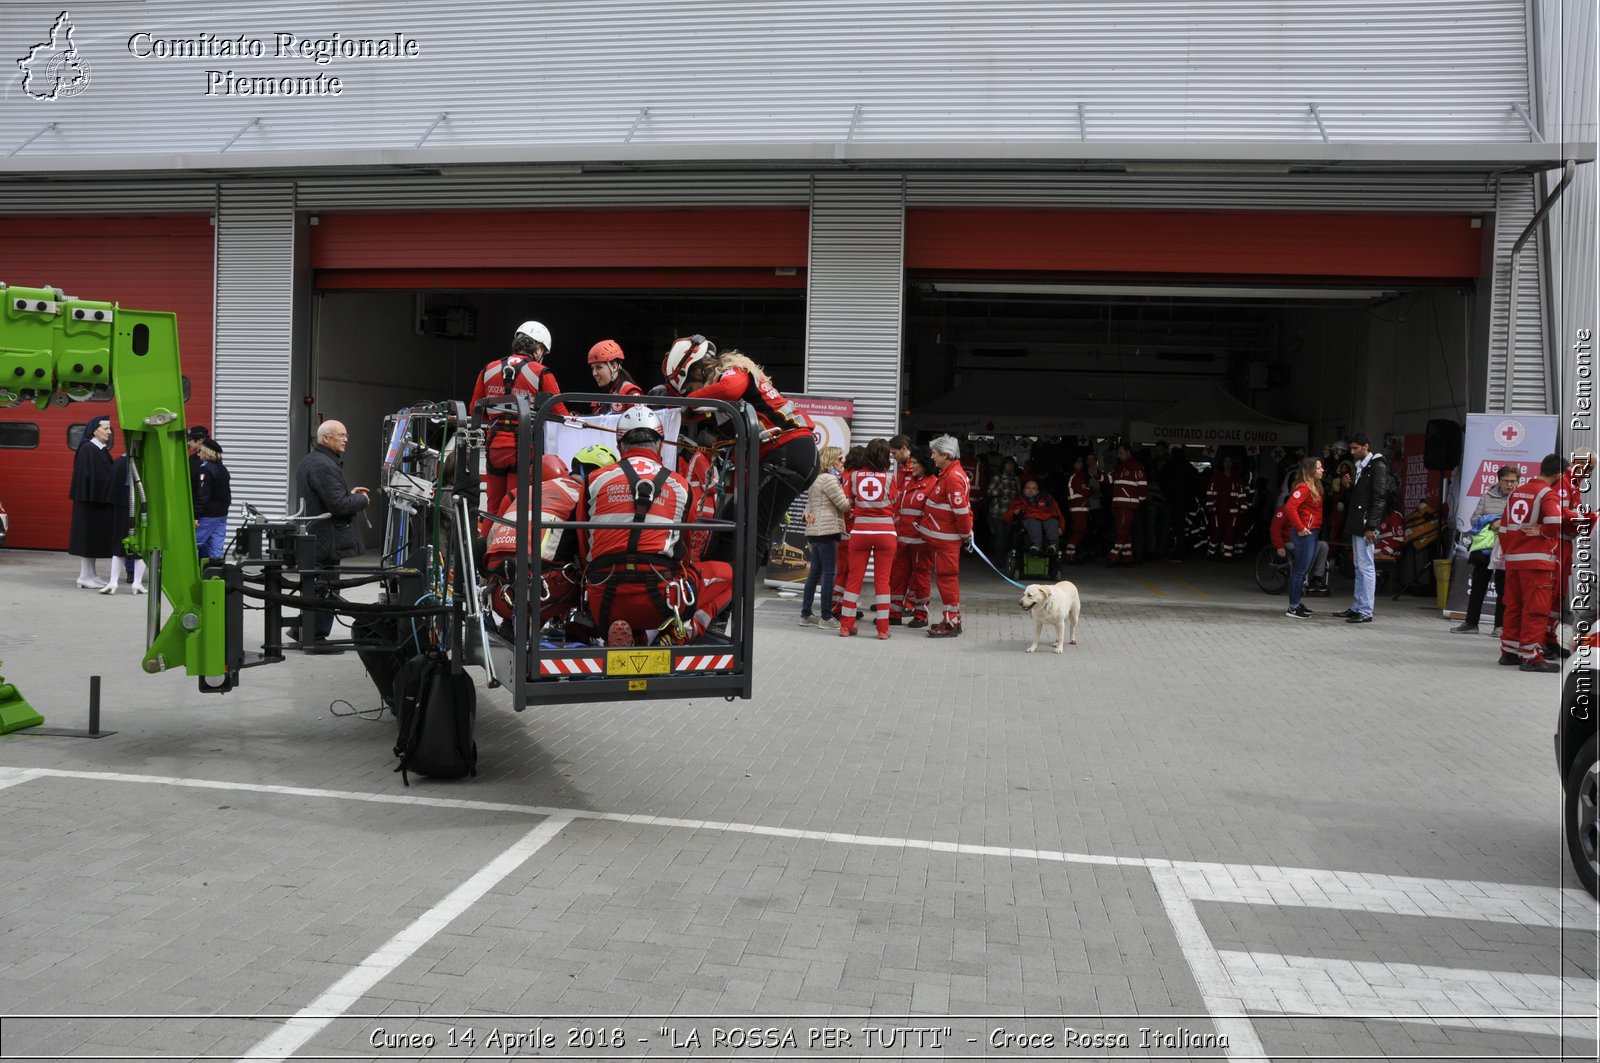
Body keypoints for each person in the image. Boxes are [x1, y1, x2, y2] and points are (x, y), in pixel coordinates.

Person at [580, 406, 732, 647]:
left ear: (619, 445)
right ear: (661, 445)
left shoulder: (595, 479)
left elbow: (583, 543)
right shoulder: (679, 484)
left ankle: (633, 635)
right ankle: (677, 635)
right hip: (661, 601)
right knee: (730, 575)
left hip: (604, 601)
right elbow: (687, 549)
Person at [670, 344, 819, 566]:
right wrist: (669, 406)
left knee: (752, 534)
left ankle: (735, 598)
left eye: (690, 387)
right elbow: (693, 417)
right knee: (729, 525)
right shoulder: (723, 399)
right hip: (787, 457)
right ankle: (714, 585)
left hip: (787, 453)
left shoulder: (732, 371)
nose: (692, 394)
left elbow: (728, 390)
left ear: (697, 370)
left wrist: (686, 403)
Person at [471, 321, 570, 516]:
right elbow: (561, 414)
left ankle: (484, 545)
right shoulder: (542, 372)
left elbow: (475, 409)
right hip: (524, 447)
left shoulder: (488, 369)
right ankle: (510, 546)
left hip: (494, 446)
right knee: (514, 507)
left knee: (492, 509)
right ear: (539, 347)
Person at [293, 420, 372, 648]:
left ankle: (302, 629)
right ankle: (315, 636)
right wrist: (361, 500)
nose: (346, 439)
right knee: (325, 587)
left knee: (317, 586)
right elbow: (339, 505)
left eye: (346, 435)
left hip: (318, 537)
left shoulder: (316, 461)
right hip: (325, 540)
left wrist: (350, 494)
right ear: (326, 438)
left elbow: (328, 497)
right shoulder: (323, 466)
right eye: (341, 435)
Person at [1497, 453, 1579, 672]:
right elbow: (1555, 520)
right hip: (1537, 563)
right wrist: (1543, 530)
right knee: (1536, 609)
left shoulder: (1516, 493)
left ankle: (1509, 652)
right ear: (1559, 474)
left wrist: (1512, 552)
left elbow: (1503, 528)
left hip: (1513, 561)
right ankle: (1531, 656)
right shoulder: (1546, 493)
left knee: (1513, 606)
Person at [837, 438, 898, 639]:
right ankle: (882, 629)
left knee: (854, 579)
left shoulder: (854, 476)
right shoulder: (890, 478)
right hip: (886, 534)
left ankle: (846, 626)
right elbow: (895, 503)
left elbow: (848, 502)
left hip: (860, 532)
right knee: (882, 581)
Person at [917, 434, 973, 638]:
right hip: (943, 540)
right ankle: (952, 619)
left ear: (946, 455)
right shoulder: (948, 474)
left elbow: (961, 512)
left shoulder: (953, 478)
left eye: (934, 453)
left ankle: (950, 622)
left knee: (947, 580)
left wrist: (967, 535)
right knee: (944, 580)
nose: (932, 457)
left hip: (947, 541)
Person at [1452, 465, 1519, 635]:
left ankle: (1500, 626)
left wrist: (1503, 524)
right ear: (1499, 480)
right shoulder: (1487, 496)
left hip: (1507, 548)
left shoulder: (1521, 498)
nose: (1510, 485)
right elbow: (1474, 518)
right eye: (1506, 481)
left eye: (1514, 481)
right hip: (1485, 548)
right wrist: (1490, 523)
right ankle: (1471, 623)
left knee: (1503, 588)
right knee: (1478, 586)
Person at [1333, 433, 1391, 625]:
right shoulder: (1362, 467)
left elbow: (1379, 497)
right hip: (1359, 521)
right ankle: (1358, 606)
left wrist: (1372, 526)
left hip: (1366, 523)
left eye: (1355, 448)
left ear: (1366, 446)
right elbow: (1362, 496)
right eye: (1351, 448)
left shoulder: (1377, 466)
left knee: (1366, 565)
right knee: (1359, 565)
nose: (1352, 452)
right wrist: (1350, 488)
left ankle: (1366, 610)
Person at [799, 446, 849, 628]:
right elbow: (844, 504)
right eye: (840, 459)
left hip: (815, 532)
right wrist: (855, 496)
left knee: (814, 574)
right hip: (827, 531)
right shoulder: (830, 479)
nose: (843, 462)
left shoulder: (817, 479)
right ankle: (826, 617)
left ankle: (806, 615)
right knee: (829, 573)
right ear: (831, 460)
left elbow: (809, 505)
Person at [888, 446, 936, 627]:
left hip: (920, 543)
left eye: (915, 463)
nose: (911, 466)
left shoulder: (933, 484)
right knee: (898, 576)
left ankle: (921, 615)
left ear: (924, 464)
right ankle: (894, 613)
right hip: (902, 540)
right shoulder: (911, 482)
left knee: (920, 578)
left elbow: (932, 515)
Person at [68, 415, 117, 589]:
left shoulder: (99, 448)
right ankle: (84, 576)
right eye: (106, 429)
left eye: (109, 428)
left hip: (97, 501)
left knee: (92, 541)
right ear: (94, 430)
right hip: (90, 502)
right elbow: (90, 478)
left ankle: (90, 575)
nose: (109, 432)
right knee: (88, 540)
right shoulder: (88, 449)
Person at [1281, 456, 1325, 619]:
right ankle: (1293, 607)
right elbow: (1290, 507)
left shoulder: (1314, 487)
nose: (1322, 470)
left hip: (1312, 532)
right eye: (1319, 467)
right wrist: (1300, 527)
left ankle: (1297, 603)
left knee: (1303, 570)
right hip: (1304, 533)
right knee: (1300, 570)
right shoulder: (1304, 487)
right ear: (1311, 470)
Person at [100, 450, 148, 595]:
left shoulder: (119, 462)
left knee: (118, 545)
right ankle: (137, 583)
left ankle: (113, 582)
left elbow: (110, 489)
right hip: (141, 509)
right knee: (142, 545)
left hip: (121, 509)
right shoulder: (145, 463)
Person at [193, 438, 232, 564]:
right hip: (221, 515)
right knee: (215, 549)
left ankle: (196, 575)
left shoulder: (205, 469)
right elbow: (227, 494)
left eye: (200, 451)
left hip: (207, 516)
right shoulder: (223, 469)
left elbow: (202, 495)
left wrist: (195, 515)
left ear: (206, 452)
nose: (198, 454)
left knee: (193, 545)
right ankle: (214, 575)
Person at [1004, 478, 1065, 555]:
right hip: (1030, 522)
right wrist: (1014, 512)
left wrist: (1061, 527)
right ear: (1023, 490)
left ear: (1037, 491)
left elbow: (1059, 514)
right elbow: (1006, 516)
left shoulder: (1047, 499)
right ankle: (1036, 544)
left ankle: (1053, 545)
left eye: (1034, 488)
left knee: (1053, 521)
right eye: (1028, 488)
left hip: (1047, 522)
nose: (1030, 490)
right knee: (1033, 520)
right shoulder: (1018, 501)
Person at [582, 339, 644, 415]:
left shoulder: (631, 393)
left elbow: (640, 424)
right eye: (592, 368)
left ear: (614, 367)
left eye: (599, 367)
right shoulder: (606, 394)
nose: (594, 373)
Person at [1108, 443, 1146, 565]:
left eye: (1121, 453)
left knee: (1122, 531)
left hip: (1128, 505)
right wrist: (1097, 474)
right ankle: (1127, 557)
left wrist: (1139, 501)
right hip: (1118, 505)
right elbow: (1109, 479)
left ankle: (1113, 556)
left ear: (1128, 452)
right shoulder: (1119, 467)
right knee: (1126, 531)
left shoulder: (1137, 466)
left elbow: (1143, 486)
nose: (1119, 455)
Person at [1207, 454, 1250, 560]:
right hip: (1218, 510)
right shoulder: (1216, 477)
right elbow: (1210, 492)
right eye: (1225, 461)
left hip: (1233, 512)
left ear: (1232, 463)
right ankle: (1211, 552)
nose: (1227, 464)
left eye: (1229, 461)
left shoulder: (1237, 478)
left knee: (1230, 532)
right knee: (1216, 531)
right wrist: (1209, 505)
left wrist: (1243, 507)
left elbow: (1242, 494)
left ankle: (1228, 555)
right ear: (1222, 463)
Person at [987, 456, 1022, 554]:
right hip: (997, 511)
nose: (1010, 466)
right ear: (1003, 465)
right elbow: (989, 492)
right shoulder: (997, 477)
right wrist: (1002, 489)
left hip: (1010, 512)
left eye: (1012, 464)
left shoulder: (1016, 479)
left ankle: (1004, 558)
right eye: (1008, 463)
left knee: (1007, 537)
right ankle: (999, 561)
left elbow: (1018, 496)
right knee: (1000, 536)